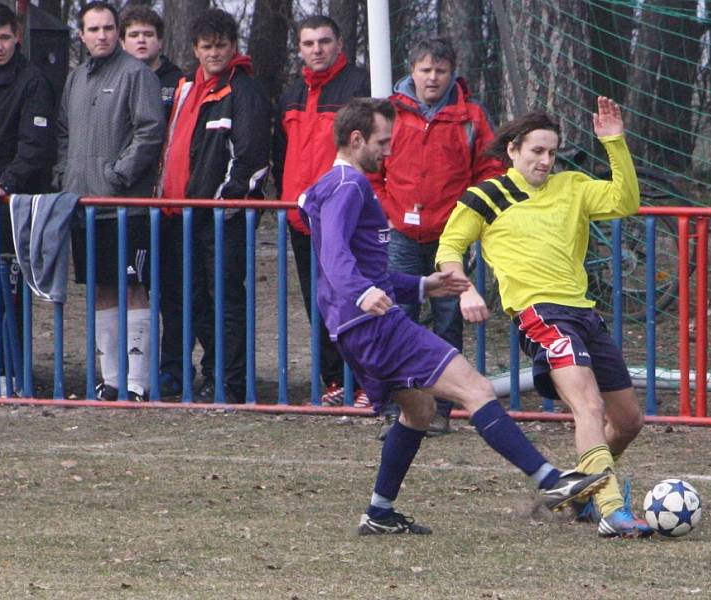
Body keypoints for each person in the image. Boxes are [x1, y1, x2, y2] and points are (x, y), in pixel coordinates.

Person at [299, 97, 609, 535]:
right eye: (383, 142)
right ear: (356, 139)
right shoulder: (349, 186)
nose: (388, 151)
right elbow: (334, 256)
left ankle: (380, 513)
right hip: (373, 324)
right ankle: (552, 481)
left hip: (355, 328)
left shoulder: (333, 186)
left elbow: (363, 265)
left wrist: (421, 285)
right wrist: (363, 292)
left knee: (420, 411)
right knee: (476, 389)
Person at [436, 98, 653, 539]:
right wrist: (467, 290)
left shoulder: (571, 186)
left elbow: (625, 201)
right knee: (588, 405)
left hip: (584, 314)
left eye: (552, 152)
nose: (545, 160)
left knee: (628, 421)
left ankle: (579, 488)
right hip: (539, 315)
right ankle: (610, 509)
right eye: (537, 151)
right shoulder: (485, 196)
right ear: (513, 150)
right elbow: (449, 250)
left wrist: (615, 143)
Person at [371, 36, 502, 438]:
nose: (432, 77)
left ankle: (442, 408)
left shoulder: (471, 117)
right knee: (397, 319)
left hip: (451, 237)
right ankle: (406, 408)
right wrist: (385, 212)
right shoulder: (389, 113)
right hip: (401, 234)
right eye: (425, 69)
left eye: (440, 70)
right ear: (411, 70)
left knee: (448, 321)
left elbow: (490, 169)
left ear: (452, 73)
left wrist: (471, 215)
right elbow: (372, 169)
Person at [53, 1, 164, 401]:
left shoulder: (136, 74)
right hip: (84, 205)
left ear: (117, 31)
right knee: (100, 288)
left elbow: (150, 131)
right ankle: (111, 379)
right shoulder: (76, 78)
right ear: (81, 34)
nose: (102, 35)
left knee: (133, 287)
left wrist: (119, 175)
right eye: (93, 29)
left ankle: (137, 381)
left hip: (126, 206)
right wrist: (64, 176)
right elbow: (64, 132)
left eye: (108, 28)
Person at [157, 8, 270, 403]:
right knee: (196, 300)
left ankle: (230, 382)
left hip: (221, 217)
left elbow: (252, 157)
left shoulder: (245, 91)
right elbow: (174, 146)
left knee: (225, 300)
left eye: (221, 46)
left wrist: (224, 204)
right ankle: (213, 373)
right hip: (182, 215)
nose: (214, 53)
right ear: (195, 49)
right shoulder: (188, 86)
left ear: (233, 46)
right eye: (207, 47)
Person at [272, 15, 371, 407]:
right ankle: (334, 381)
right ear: (299, 47)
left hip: (345, 216)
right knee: (319, 304)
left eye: (324, 41)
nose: (317, 49)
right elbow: (281, 152)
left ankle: (366, 380)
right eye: (309, 43)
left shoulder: (360, 85)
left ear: (340, 43)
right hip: (302, 216)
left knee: (355, 298)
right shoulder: (291, 94)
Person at [0, 2, 55, 392]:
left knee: (10, 290)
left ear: (17, 37)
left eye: (5, 38)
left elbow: (36, 145)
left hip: (11, 206)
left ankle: (8, 372)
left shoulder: (33, 82)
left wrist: (5, 182)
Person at [119, 5, 183, 123]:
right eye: (134, 35)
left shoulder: (179, 82)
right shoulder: (115, 81)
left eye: (148, 34)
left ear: (160, 42)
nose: (141, 40)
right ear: (122, 43)